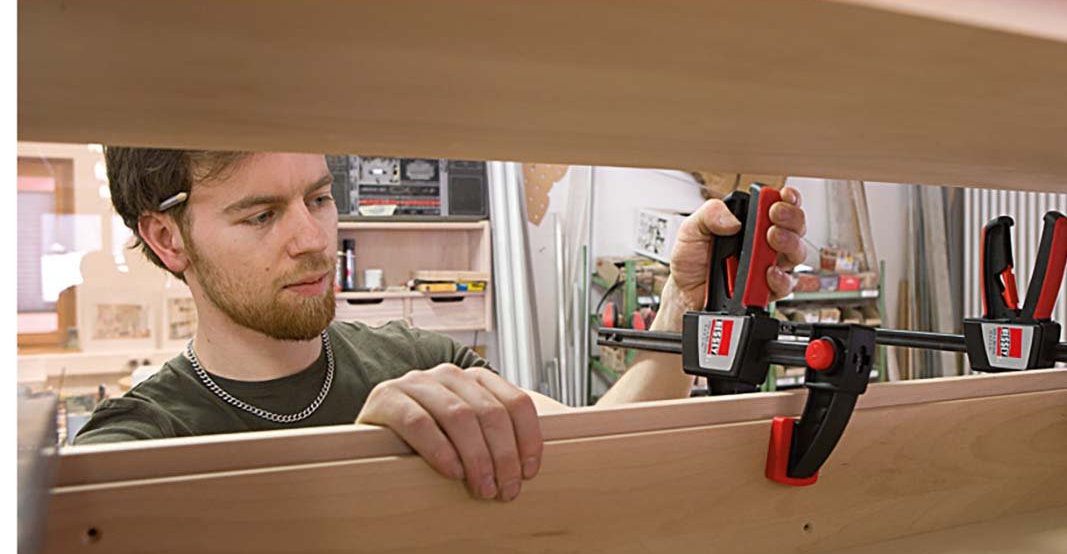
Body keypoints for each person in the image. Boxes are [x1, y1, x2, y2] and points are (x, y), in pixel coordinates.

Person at [76, 149, 807, 501]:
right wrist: (367, 461)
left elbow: (603, 454)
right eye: (262, 215)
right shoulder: (133, 446)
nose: (312, 239)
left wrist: (685, 305)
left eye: (320, 199)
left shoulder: (419, 359)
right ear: (167, 239)